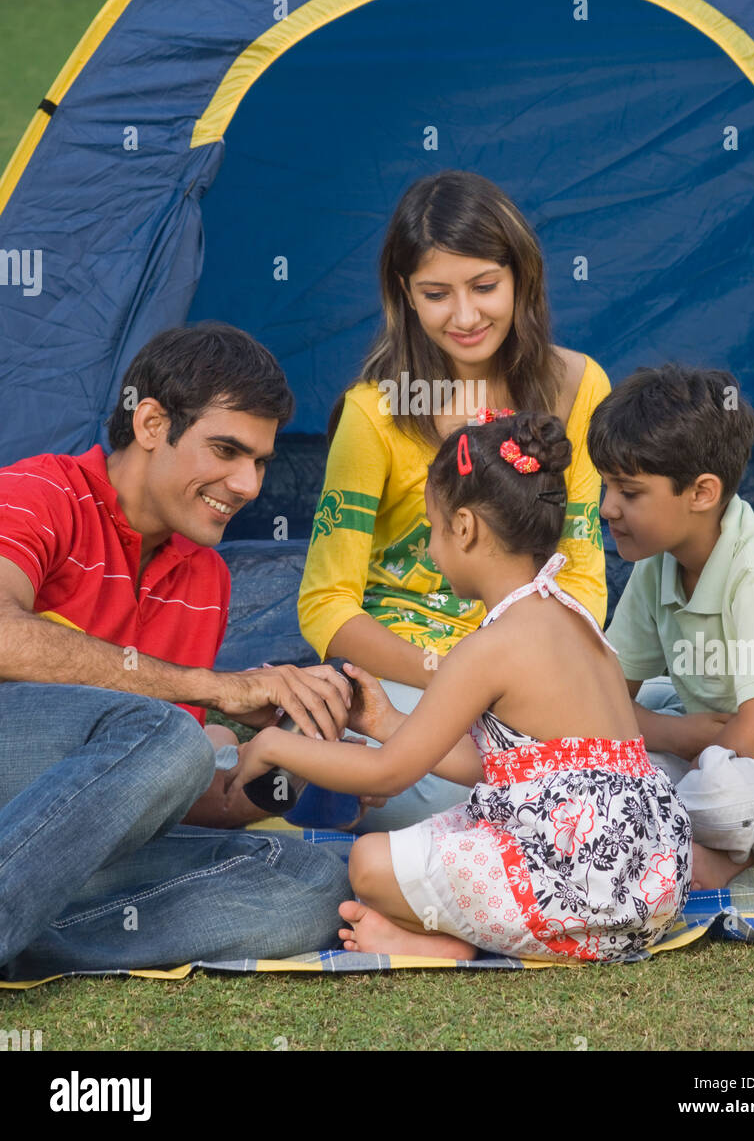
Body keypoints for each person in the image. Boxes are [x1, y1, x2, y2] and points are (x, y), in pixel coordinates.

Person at [230, 411, 691, 961]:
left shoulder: (489, 647)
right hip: (652, 884)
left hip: (585, 884)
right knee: (452, 830)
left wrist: (273, 745)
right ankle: (470, 936)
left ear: (466, 528)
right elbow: (500, 766)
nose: (429, 550)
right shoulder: (578, 623)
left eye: (432, 528)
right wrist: (387, 723)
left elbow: (388, 772)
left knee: (370, 864)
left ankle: (452, 947)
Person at [0, 322, 353, 980]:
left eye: (260, 461)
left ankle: (27, 941)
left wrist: (299, 762)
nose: (247, 484)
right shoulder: (40, 495)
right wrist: (213, 687)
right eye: (226, 449)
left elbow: (164, 790)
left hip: (50, 851)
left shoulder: (205, 575)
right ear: (152, 423)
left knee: (308, 880)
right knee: (170, 735)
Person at [298, 170, 611, 832]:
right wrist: (453, 683)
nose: (464, 316)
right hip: (413, 677)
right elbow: (326, 604)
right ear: (404, 296)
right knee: (460, 788)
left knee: (652, 739)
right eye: (436, 294)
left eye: (484, 286)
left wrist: (522, 680)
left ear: (521, 278)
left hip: (532, 671)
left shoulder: (579, 387)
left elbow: (580, 570)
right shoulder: (373, 412)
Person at [589, 364, 754, 891]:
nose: (607, 509)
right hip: (717, 747)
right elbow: (601, 701)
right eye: (605, 487)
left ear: (702, 492)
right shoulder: (656, 565)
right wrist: (675, 732)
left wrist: (659, 749)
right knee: (597, 759)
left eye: (629, 492)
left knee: (725, 795)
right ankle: (680, 836)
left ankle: (669, 833)